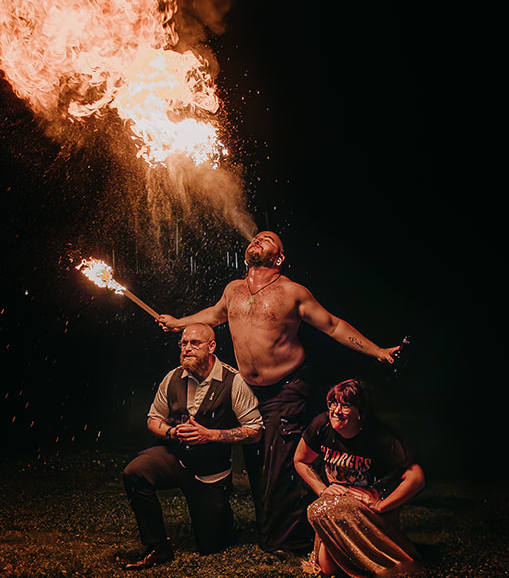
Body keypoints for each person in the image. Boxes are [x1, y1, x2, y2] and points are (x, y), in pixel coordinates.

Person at [156, 230, 402, 556]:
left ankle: (287, 540)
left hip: (287, 388)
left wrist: (379, 351)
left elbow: (333, 325)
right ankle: (271, 529)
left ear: (279, 257)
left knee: (282, 464)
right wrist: (178, 322)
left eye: (268, 239)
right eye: (256, 237)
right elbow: (214, 316)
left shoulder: (292, 292)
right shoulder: (233, 290)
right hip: (248, 392)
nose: (259, 239)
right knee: (257, 463)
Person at [119, 323, 263, 569]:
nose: (187, 349)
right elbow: (153, 419)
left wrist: (211, 435)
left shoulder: (234, 381)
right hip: (176, 458)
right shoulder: (173, 377)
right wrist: (171, 431)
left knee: (211, 546)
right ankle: (158, 547)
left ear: (211, 347)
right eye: (183, 343)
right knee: (135, 472)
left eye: (194, 343)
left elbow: (255, 430)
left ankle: (222, 518)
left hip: (211, 473)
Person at [294, 379, 424, 578]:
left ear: (361, 411)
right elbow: (301, 460)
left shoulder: (379, 438)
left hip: (367, 505)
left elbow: (416, 477)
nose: (336, 411)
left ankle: (381, 556)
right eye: (332, 404)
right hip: (335, 501)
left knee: (317, 509)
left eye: (346, 405)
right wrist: (322, 489)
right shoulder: (322, 425)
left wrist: (382, 504)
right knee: (328, 569)